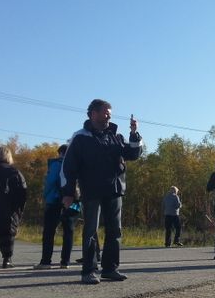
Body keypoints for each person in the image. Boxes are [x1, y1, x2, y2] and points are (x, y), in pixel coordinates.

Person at [61, 99, 143, 284]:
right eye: (105, 113)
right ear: (93, 114)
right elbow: (69, 167)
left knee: (115, 231)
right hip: (92, 191)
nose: (108, 116)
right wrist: (68, 193)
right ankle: (88, 270)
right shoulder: (81, 137)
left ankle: (110, 269)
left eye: (110, 114)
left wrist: (133, 133)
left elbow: (133, 154)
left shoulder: (116, 136)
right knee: (91, 231)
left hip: (114, 190)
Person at [35, 145, 77, 269]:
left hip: (54, 200)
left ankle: (46, 261)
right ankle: (65, 261)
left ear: (60, 153)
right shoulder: (77, 164)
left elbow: (51, 181)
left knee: (49, 231)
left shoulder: (56, 164)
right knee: (69, 231)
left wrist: (45, 195)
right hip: (73, 201)